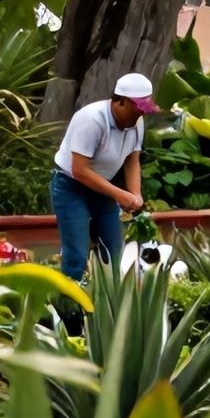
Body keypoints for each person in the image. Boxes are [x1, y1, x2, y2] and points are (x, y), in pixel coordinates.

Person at [51, 72, 154, 281]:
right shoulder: (92, 119)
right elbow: (79, 170)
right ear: (121, 102)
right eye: (136, 112)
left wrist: (135, 194)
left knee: (112, 252)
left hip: (102, 187)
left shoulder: (136, 123)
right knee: (76, 257)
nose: (138, 117)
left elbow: (132, 159)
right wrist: (119, 195)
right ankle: (68, 308)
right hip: (71, 187)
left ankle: (107, 307)